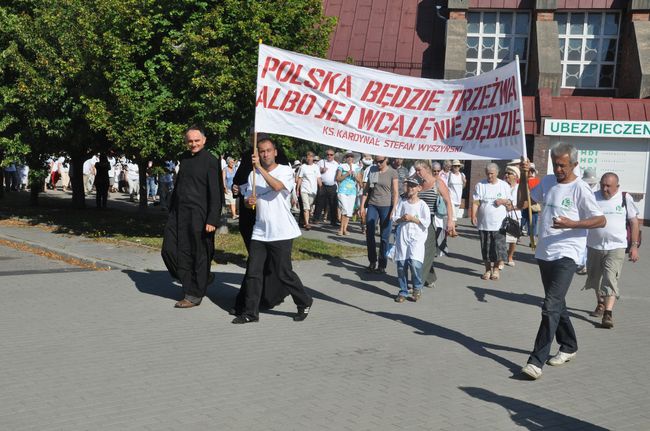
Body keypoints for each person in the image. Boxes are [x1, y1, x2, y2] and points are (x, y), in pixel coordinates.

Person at [517, 143, 606, 380]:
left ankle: (536, 361)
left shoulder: (581, 189)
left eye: (562, 165)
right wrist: (524, 179)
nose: (558, 169)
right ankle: (569, 345)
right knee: (557, 304)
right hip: (545, 252)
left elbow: (600, 220)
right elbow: (523, 202)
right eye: (555, 164)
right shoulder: (547, 182)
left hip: (568, 254)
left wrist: (572, 224)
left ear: (574, 165)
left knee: (550, 306)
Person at [233, 137, 313, 324]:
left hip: (281, 230)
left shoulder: (285, 170)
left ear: (275, 152)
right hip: (260, 231)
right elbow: (247, 199)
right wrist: (248, 202)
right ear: (257, 153)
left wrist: (259, 168)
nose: (265, 154)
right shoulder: (253, 175)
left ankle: (304, 301)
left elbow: (277, 187)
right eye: (261, 151)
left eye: (268, 150)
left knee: (283, 272)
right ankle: (250, 313)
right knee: (253, 272)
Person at [161, 125, 222, 309]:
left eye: (197, 140)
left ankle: (194, 294)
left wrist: (212, 219)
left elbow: (216, 192)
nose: (193, 144)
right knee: (169, 250)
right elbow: (179, 186)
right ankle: (199, 279)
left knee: (198, 255)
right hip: (179, 214)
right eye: (190, 141)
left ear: (204, 140)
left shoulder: (211, 160)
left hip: (200, 216)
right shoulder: (185, 159)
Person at [584, 172, 641, 329]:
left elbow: (634, 222)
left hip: (616, 246)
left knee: (610, 278)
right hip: (594, 245)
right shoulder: (593, 197)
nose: (605, 188)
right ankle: (600, 303)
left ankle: (608, 313)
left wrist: (634, 246)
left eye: (608, 186)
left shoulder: (624, 198)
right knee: (595, 279)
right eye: (602, 185)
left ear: (617, 186)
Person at [415, 161, 455, 288]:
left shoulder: (438, 183)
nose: (417, 173)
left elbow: (448, 201)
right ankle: (430, 277)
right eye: (416, 170)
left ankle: (418, 283)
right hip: (419, 221)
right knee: (419, 249)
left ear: (427, 169)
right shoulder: (419, 183)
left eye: (419, 170)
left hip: (434, 221)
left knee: (427, 251)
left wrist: (450, 221)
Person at [391, 175, 431, 303]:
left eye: (413, 186)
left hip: (417, 238)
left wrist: (413, 218)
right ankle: (403, 290)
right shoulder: (402, 203)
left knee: (415, 264)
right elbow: (395, 219)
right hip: (403, 236)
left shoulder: (422, 205)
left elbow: (426, 222)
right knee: (401, 265)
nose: (410, 188)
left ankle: (417, 288)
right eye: (409, 185)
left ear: (419, 188)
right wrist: (402, 219)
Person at [471, 163, 511, 281]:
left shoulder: (504, 185)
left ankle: (496, 270)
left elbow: (510, 202)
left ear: (497, 173)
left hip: (499, 224)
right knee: (486, 248)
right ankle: (487, 270)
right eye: (488, 173)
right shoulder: (480, 185)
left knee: (499, 249)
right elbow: (476, 202)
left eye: (492, 174)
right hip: (484, 223)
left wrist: (503, 201)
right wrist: (473, 215)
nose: (489, 176)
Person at [360, 155, 399, 274]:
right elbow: (367, 189)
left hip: (386, 206)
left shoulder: (393, 172)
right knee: (369, 233)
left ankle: (382, 264)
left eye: (380, 162)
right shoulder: (373, 170)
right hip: (373, 204)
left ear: (386, 160)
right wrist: (362, 207)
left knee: (384, 236)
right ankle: (372, 261)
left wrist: (394, 209)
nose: (378, 164)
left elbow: (396, 192)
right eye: (376, 161)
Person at [336, 151, 362, 236]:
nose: (350, 158)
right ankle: (340, 229)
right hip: (342, 191)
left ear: (353, 158)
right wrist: (347, 174)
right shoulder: (341, 166)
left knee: (349, 211)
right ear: (345, 158)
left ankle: (345, 229)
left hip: (352, 192)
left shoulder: (357, 167)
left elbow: (360, 182)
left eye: (351, 157)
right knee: (345, 209)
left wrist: (355, 175)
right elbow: (338, 179)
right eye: (348, 156)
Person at [313, 148, 339, 226]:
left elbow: (338, 175)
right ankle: (316, 219)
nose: (329, 156)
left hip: (332, 185)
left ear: (334, 156)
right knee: (319, 202)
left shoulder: (336, 164)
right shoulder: (321, 162)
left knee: (333, 204)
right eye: (328, 154)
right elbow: (315, 172)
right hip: (322, 185)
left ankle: (333, 221)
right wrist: (321, 170)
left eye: (331, 155)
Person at [296, 151, 321, 231]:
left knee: (309, 206)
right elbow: (300, 178)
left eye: (310, 157)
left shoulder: (316, 167)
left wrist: (321, 187)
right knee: (306, 207)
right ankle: (307, 223)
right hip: (304, 189)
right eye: (308, 157)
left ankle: (305, 220)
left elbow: (318, 178)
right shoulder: (303, 167)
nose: (309, 158)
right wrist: (297, 189)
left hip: (313, 190)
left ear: (313, 158)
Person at [504, 165, 521, 267]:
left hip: (515, 216)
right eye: (506, 173)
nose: (506, 175)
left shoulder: (520, 188)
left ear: (515, 176)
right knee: (501, 238)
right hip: (502, 216)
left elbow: (524, 204)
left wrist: (513, 207)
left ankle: (510, 256)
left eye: (509, 173)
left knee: (512, 240)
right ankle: (500, 259)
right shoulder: (502, 185)